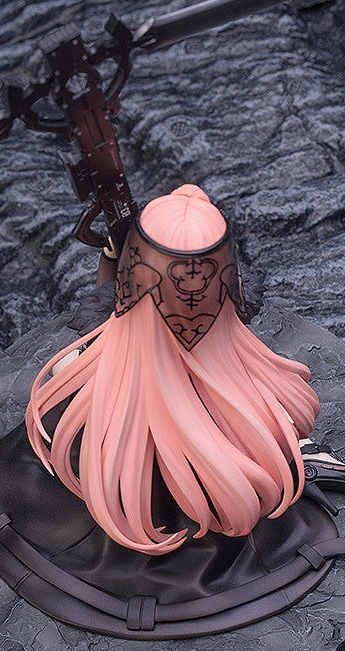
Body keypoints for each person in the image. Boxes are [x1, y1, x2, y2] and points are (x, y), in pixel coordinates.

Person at [25, 185, 320, 554]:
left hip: (155, 485)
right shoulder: (266, 400)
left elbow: (116, 303)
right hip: (212, 452)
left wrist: (114, 257)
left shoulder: (97, 392)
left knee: (68, 371)